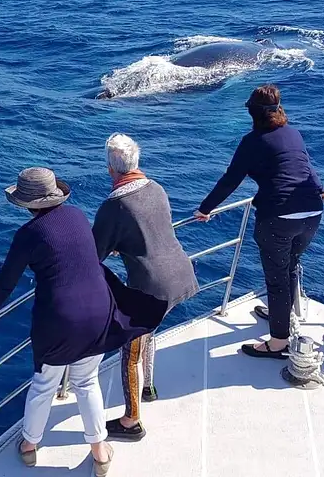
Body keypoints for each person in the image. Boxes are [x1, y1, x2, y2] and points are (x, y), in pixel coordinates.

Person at [0, 167, 165, 476]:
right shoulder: (75, 215)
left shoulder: (28, 234)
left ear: (27, 204)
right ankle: (100, 451)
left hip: (61, 321)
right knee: (87, 381)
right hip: (101, 310)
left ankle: (30, 446)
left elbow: (5, 283)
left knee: (45, 383)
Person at [194, 85, 324, 359]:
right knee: (290, 265)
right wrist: (321, 190)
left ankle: (279, 341)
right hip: (313, 213)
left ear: (251, 113)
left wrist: (205, 208)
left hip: (278, 218)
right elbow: (306, 167)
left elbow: (230, 180)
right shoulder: (293, 134)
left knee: (277, 278)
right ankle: (281, 313)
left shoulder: (252, 141)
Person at [92, 133, 199, 442]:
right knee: (148, 334)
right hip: (182, 274)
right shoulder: (157, 188)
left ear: (111, 169)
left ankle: (131, 421)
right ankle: (148, 386)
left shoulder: (114, 206)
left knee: (130, 353)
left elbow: (94, 254)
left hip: (151, 289)